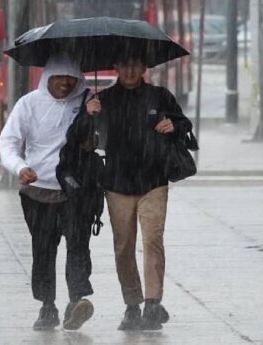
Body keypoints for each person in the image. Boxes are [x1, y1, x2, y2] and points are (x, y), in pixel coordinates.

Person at [76, 50, 191, 331]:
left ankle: (153, 302)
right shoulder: (103, 99)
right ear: (116, 66)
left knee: (153, 240)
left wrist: (174, 125)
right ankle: (131, 305)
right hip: (117, 184)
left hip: (154, 181)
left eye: (135, 64)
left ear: (144, 67)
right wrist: (87, 114)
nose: (129, 70)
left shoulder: (160, 95)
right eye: (124, 64)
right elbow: (83, 139)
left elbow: (185, 124)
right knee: (123, 247)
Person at [0, 54, 97, 331]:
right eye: (59, 77)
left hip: (76, 192)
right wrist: (20, 167)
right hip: (38, 193)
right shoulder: (28, 104)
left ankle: (77, 300)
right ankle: (47, 306)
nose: (65, 84)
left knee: (78, 247)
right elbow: (8, 141)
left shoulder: (88, 104)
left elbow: (107, 140)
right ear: (47, 78)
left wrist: (95, 127)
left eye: (71, 78)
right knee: (43, 251)